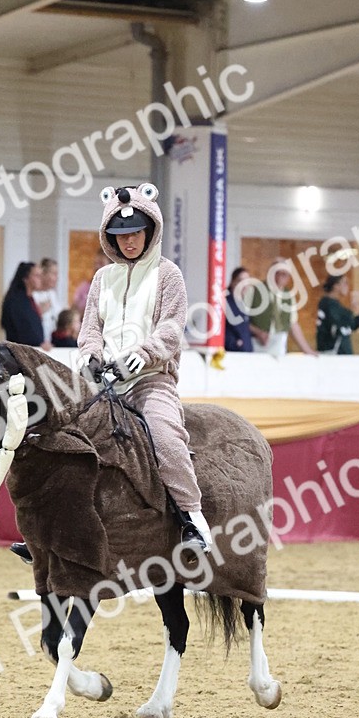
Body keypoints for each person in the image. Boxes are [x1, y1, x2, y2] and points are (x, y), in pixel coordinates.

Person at [78, 183, 213, 556]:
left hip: (150, 381)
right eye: (121, 235)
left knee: (165, 436)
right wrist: (90, 354)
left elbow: (171, 327)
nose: (129, 241)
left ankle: (192, 519)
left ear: (150, 229)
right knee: (62, 435)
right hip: (103, 383)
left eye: (136, 232)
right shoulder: (102, 279)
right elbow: (90, 328)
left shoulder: (169, 275)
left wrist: (144, 354)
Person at [248, 260, 317, 357]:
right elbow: (242, 320)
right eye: (279, 273)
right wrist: (258, 332)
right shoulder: (254, 290)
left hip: (278, 343)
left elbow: (293, 324)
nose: (282, 277)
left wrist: (307, 350)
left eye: (286, 274)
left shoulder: (288, 296)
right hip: (256, 342)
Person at [316, 275, 359, 354]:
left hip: (342, 351)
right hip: (333, 350)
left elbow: (350, 325)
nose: (347, 286)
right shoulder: (328, 304)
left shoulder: (337, 305)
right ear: (336, 286)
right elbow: (337, 322)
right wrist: (351, 310)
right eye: (345, 283)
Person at [1, 262, 46, 347]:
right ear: (25, 278)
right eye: (37, 276)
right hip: (21, 351)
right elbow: (23, 330)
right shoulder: (16, 301)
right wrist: (39, 343)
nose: (41, 279)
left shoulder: (29, 299)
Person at [224, 267, 253, 352]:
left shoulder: (242, 304)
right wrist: (235, 343)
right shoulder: (226, 302)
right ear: (233, 282)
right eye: (241, 281)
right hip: (232, 354)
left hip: (245, 355)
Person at [73, 249, 109, 317]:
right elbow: (74, 309)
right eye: (95, 263)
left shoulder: (113, 288)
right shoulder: (84, 287)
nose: (97, 267)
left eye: (101, 263)